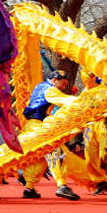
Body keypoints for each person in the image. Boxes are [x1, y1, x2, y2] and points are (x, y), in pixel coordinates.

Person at [21, 69, 80, 201]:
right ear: (54, 80)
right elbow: (64, 100)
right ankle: (62, 185)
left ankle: (29, 188)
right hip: (37, 126)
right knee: (55, 149)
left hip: (31, 125)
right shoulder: (49, 89)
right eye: (63, 83)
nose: (64, 87)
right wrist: (83, 101)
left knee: (40, 158)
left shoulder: (40, 87)